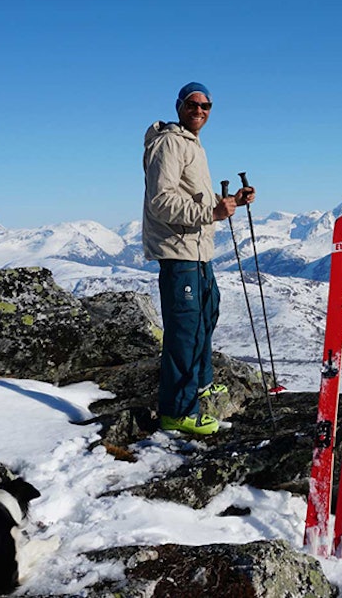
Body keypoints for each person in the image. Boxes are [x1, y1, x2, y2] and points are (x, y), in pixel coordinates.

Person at [143, 81, 254, 435]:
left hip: (198, 251)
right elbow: (161, 202)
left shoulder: (193, 145)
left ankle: (200, 382)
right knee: (185, 330)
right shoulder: (170, 145)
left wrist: (232, 201)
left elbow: (196, 199)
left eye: (206, 106)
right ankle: (178, 411)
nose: (200, 111)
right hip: (179, 252)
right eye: (193, 104)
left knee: (207, 313)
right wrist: (213, 213)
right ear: (179, 107)